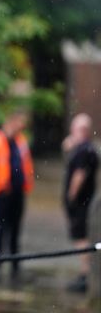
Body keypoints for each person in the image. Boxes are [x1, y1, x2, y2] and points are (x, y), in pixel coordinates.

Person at [0, 111, 34, 283]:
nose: (21, 127)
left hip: (18, 190)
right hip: (1, 191)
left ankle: (14, 265)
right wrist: (0, 185)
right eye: (19, 123)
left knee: (15, 230)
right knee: (0, 229)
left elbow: (25, 163)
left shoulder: (21, 141)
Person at [62, 113, 98, 293]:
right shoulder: (85, 149)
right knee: (82, 238)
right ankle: (86, 274)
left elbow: (79, 175)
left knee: (81, 239)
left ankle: (86, 275)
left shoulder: (85, 151)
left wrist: (71, 196)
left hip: (82, 203)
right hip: (85, 203)